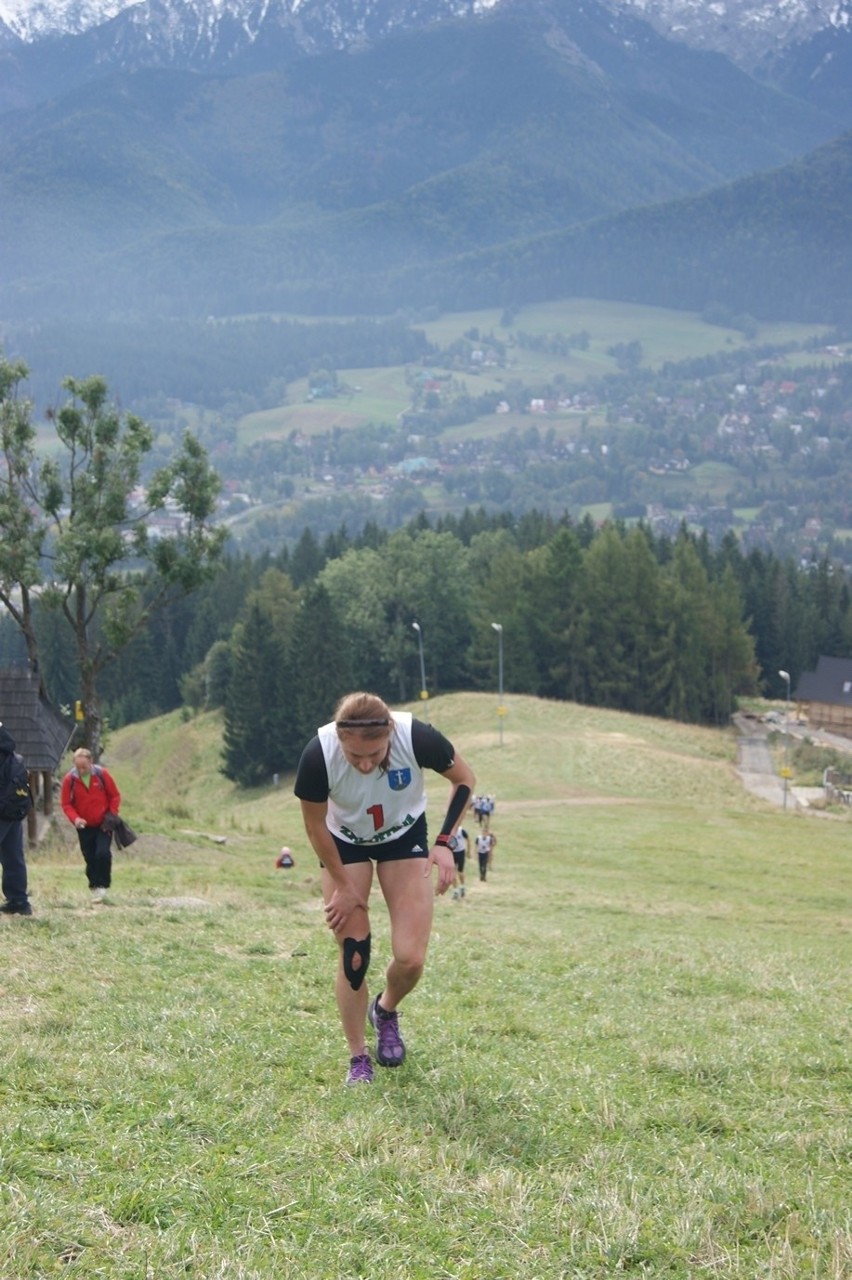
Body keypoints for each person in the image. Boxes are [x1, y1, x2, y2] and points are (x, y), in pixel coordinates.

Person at [295, 691, 475, 1086]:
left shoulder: (416, 737)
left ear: (389, 732)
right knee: (354, 953)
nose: (364, 764)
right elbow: (314, 826)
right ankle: (358, 1058)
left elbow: (464, 779)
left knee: (411, 959)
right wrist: (343, 886)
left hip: (402, 836)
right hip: (344, 843)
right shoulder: (318, 754)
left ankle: (386, 1010)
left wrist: (444, 843)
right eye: (354, 755)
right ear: (339, 738)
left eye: (374, 755)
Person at [60, 748, 122, 902]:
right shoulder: (69, 780)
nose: (81, 770)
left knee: (102, 853)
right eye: (78, 767)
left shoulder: (102, 775)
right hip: (84, 826)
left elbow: (115, 796)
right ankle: (94, 885)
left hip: (104, 824)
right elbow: (66, 804)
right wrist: (76, 819)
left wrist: (112, 814)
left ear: (91, 762)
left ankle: (103, 886)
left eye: (84, 767)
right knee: (90, 856)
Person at [0, 725, 33, 917]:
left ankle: (17, 900)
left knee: (12, 857)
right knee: (13, 857)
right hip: (13, 812)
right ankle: (18, 900)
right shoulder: (11, 756)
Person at [449, 824, 469, 899]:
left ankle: (462, 886)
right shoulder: (449, 830)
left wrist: (468, 850)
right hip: (452, 853)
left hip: (461, 852)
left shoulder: (461, 830)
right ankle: (455, 891)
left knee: (460, 872)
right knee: (452, 873)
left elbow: (468, 839)